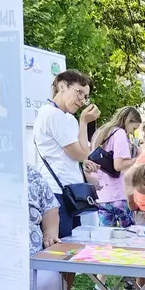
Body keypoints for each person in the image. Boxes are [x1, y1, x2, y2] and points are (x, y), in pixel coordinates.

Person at [33, 69, 101, 237]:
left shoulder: (65, 117)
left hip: (69, 191)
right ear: (62, 86)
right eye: (79, 93)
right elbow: (81, 153)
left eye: (86, 96)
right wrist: (84, 122)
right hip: (58, 192)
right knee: (62, 249)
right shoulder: (52, 114)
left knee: (72, 246)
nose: (82, 100)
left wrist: (82, 161)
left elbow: (75, 154)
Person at [27, 165, 71, 290]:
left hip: (32, 251)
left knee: (52, 281)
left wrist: (51, 231)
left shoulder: (29, 172)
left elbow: (49, 205)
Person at [91, 106, 142, 227]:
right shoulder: (119, 133)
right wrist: (138, 159)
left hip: (102, 196)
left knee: (106, 239)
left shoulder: (101, 132)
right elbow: (118, 165)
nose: (132, 132)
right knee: (129, 235)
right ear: (129, 121)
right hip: (118, 195)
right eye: (134, 128)